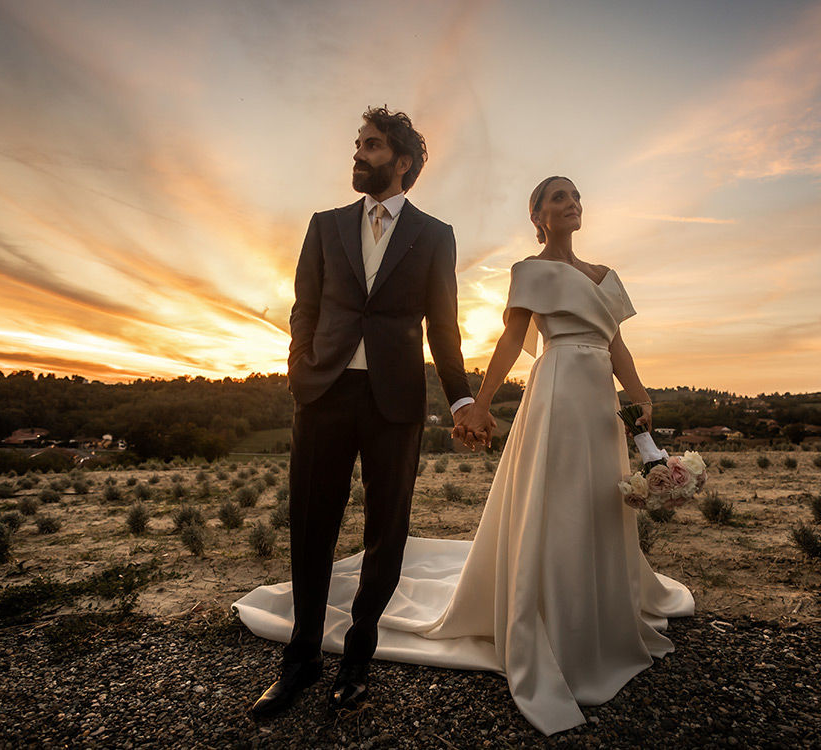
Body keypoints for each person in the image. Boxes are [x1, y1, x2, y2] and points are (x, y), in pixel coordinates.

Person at [235, 175, 693, 735]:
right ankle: (542, 610)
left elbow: (616, 342)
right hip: (554, 389)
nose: (572, 204)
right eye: (558, 197)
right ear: (537, 216)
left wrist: (640, 398)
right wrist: (477, 403)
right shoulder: (530, 271)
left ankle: (597, 611)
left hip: (600, 399)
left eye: (576, 196)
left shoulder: (606, 277)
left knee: (598, 502)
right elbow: (509, 340)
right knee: (556, 500)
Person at [247, 107, 485, 717]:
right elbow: (304, 304)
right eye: (358, 144)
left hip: (396, 401)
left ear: (401, 162)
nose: (359, 154)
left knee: (387, 530)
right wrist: (300, 367)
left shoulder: (434, 235)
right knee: (310, 524)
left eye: (372, 146)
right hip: (323, 392)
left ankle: (357, 658)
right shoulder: (324, 225)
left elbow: (444, 323)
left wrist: (460, 397)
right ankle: (300, 659)